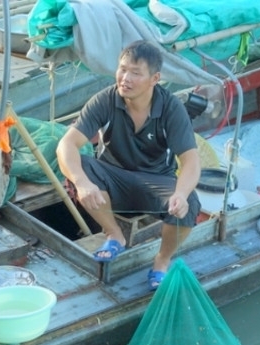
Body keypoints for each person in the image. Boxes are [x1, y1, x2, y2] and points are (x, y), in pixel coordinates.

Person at [56, 40, 201, 290]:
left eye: (136, 73)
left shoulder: (170, 108)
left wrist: (181, 193)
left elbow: (190, 160)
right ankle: (114, 234)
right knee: (79, 168)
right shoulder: (105, 100)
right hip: (113, 178)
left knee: (189, 206)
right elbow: (66, 145)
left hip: (155, 182)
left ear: (155, 78)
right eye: (122, 69)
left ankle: (162, 260)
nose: (126, 78)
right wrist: (81, 182)